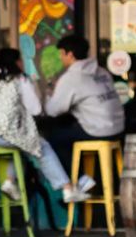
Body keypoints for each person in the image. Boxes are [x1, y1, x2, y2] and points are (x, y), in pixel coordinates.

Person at [0, 47, 93, 205]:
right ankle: (67, 189)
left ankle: (10, 181)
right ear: (17, 62)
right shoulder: (20, 80)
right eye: (21, 60)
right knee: (40, 146)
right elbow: (36, 110)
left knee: (23, 144)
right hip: (0, 134)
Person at [41, 32, 126, 167]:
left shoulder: (72, 77)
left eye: (61, 54)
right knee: (69, 125)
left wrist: (49, 94)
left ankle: (78, 177)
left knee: (54, 137)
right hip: (118, 129)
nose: (60, 58)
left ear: (70, 54)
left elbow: (52, 111)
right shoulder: (102, 71)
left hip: (99, 131)